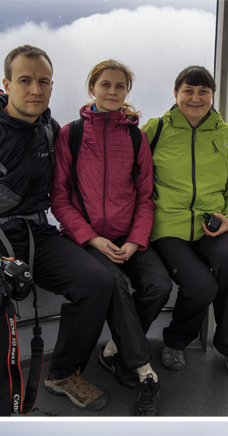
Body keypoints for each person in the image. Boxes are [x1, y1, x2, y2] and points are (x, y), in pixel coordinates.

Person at [0, 44, 114, 415]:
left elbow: (68, 190)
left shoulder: (49, 130)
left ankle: (63, 373)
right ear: (7, 84)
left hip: (35, 234)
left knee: (96, 282)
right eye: (25, 81)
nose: (36, 89)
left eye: (43, 81)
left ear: (52, 86)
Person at [52, 59, 167, 416]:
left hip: (127, 237)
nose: (113, 92)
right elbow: (59, 198)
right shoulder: (70, 133)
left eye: (120, 86)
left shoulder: (135, 137)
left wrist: (135, 240)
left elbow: (145, 197)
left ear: (127, 92)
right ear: (92, 88)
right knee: (114, 283)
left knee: (158, 285)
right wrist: (91, 238)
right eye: (106, 85)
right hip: (88, 240)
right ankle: (145, 372)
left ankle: (114, 352)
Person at [143, 65, 228, 378]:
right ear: (175, 94)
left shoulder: (227, 136)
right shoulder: (156, 130)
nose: (195, 98)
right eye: (188, 91)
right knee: (201, 286)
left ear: (212, 96)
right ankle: (176, 342)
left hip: (212, 224)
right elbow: (132, 176)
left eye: (203, 91)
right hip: (168, 227)